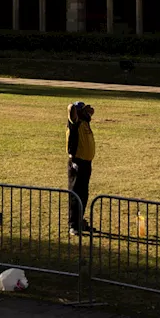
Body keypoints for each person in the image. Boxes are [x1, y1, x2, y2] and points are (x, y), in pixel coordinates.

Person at [66, 100, 96, 236]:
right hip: (77, 163)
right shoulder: (74, 122)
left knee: (84, 194)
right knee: (75, 194)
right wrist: (76, 107)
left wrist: (86, 110)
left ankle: (80, 221)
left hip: (86, 163)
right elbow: (70, 109)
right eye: (83, 111)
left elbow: (92, 111)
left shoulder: (85, 122)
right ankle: (73, 225)